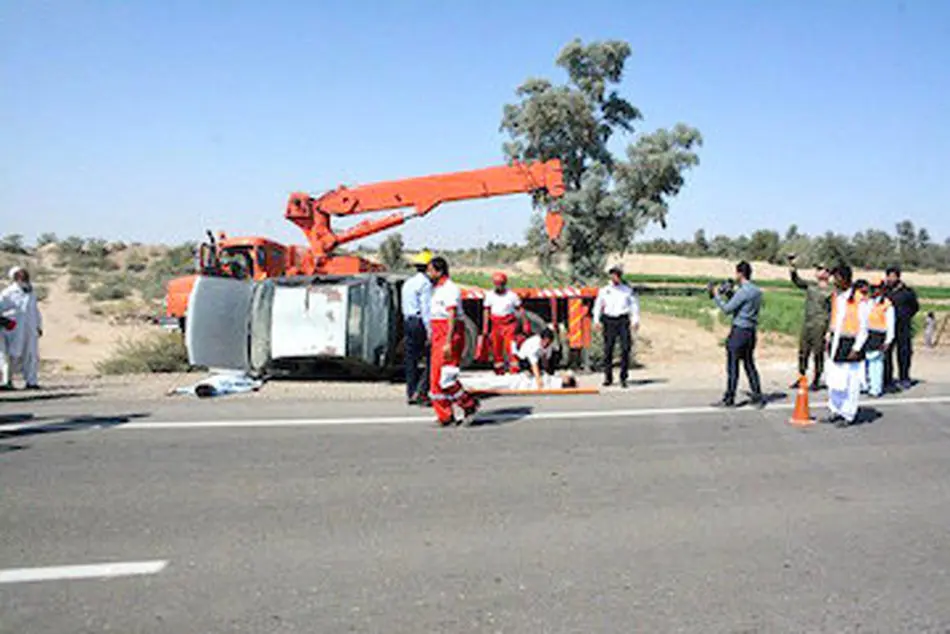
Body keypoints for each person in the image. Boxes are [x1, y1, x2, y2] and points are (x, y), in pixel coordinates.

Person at [426, 256, 479, 426]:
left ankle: (469, 405)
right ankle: (445, 415)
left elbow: (452, 316)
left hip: (450, 334)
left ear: (439, 271)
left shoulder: (450, 289)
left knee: (446, 378)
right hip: (438, 334)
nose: (428, 273)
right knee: (435, 379)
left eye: (430, 270)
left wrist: (448, 342)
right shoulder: (436, 289)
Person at [712, 261, 764, 409]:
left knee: (733, 366)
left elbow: (727, 309)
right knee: (749, 364)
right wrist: (730, 294)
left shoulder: (743, 291)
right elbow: (741, 305)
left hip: (739, 331)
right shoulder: (756, 291)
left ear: (740, 274)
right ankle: (757, 396)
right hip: (751, 332)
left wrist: (716, 296)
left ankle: (729, 398)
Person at [824, 268, 871, 427]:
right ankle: (835, 410)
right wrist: (828, 338)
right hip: (836, 342)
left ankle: (848, 414)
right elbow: (835, 320)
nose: (834, 281)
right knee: (834, 380)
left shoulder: (860, 299)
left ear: (845, 279)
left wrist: (856, 348)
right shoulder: (837, 297)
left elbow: (864, 327)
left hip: (850, 344)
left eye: (837, 278)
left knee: (850, 382)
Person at [789, 257, 832, 391]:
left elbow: (833, 312)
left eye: (820, 269)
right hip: (808, 323)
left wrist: (830, 330)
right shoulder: (811, 286)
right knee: (803, 352)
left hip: (821, 325)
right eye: (817, 269)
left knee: (818, 353)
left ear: (827, 273)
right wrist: (792, 267)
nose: (817, 271)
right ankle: (802, 377)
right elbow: (797, 281)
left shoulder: (832, 291)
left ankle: (816, 379)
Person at [593, 266, 640, 388]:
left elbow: (634, 305)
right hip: (609, 320)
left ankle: (623, 377)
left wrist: (635, 320)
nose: (615, 277)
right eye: (613, 275)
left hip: (623, 320)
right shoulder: (604, 290)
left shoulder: (627, 290)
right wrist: (596, 320)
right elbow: (598, 305)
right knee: (608, 349)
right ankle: (608, 377)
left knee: (625, 348)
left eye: (617, 275)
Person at [0, 266, 43, 389]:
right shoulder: (7, 294)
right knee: (11, 356)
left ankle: (31, 382)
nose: (24, 275)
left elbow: (35, 311)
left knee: (31, 356)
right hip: (13, 330)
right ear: (15, 277)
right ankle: (7, 381)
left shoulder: (31, 293)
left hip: (30, 330)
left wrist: (39, 326)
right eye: (21, 274)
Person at [401, 249, 433, 406]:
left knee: (411, 360)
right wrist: (430, 331)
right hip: (419, 322)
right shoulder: (425, 284)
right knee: (431, 358)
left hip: (408, 321)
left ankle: (410, 392)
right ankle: (421, 393)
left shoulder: (409, 282)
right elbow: (426, 309)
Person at [884, 267, 919, 391]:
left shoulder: (908, 292)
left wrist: (905, 316)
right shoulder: (884, 291)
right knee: (886, 353)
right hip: (887, 327)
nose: (890, 279)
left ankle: (904, 378)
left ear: (898, 277)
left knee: (904, 353)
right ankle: (887, 379)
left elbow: (915, 307)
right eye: (888, 276)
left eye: (893, 276)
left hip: (903, 327)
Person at [483, 272, 524, 375]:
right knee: (497, 348)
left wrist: (523, 323)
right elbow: (486, 310)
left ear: (504, 284)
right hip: (496, 324)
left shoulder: (512, 296)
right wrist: (485, 326)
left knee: (511, 347)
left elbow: (520, 309)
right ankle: (499, 370)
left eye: (500, 284)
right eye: (496, 284)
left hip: (509, 325)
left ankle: (514, 369)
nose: (498, 286)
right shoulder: (490, 295)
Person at [865, 281, 895, 398]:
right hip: (868, 334)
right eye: (873, 288)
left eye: (877, 288)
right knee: (867, 362)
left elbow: (890, 324)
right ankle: (869, 385)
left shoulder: (887, 305)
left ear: (882, 289)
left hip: (879, 335)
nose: (874, 290)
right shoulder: (868, 302)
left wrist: (888, 340)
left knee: (876, 363)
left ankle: (876, 389)